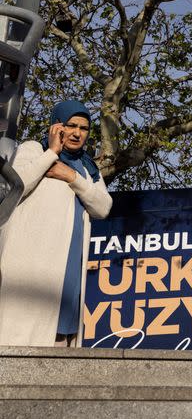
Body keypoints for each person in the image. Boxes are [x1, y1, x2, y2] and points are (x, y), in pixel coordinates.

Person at [0, 100, 112, 346]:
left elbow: (103, 207)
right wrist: (51, 153)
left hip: (68, 260)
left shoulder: (87, 167)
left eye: (83, 128)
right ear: (56, 126)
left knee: (60, 330)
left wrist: (71, 176)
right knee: (23, 327)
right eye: (70, 125)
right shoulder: (33, 149)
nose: (76, 133)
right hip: (32, 261)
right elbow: (17, 185)